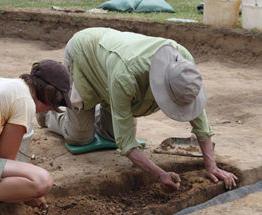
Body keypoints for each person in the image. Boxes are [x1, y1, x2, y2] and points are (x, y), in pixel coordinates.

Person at [37, 27, 238, 194]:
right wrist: (159, 175)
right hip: (84, 54)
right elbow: (126, 144)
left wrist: (211, 165)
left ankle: (99, 108)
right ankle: (49, 113)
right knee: (79, 137)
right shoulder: (127, 77)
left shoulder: (183, 63)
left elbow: (198, 117)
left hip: (111, 71)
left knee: (111, 133)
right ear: (159, 88)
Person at [0, 60, 72, 209]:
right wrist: (25, 194)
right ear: (49, 93)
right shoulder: (25, 101)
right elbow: (6, 159)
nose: (51, 108)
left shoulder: (8, 84)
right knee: (42, 181)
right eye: (57, 102)